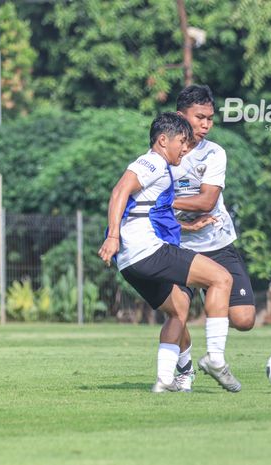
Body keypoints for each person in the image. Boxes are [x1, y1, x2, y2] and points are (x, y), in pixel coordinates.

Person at [98, 112, 241, 393]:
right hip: (147, 252)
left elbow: (148, 213)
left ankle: (165, 378)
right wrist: (112, 235)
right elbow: (119, 192)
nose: (185, 149)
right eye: (182, 142)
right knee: (222, 279)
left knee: (179, 310)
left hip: (130, 263)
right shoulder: (152, 161)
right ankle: (214, 358)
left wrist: (188, 226)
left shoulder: (161, 170)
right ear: (163, 140)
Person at [159, 84, 256, 392]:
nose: (205, 125)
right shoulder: (161, 156)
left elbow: (206, 202)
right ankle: (186, 370)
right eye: (199, 117)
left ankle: (209, 355)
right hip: (178, 249)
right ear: (179, 116)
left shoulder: (215, 153)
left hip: (217, 244)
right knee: (177, 313)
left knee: (244, 319)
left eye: (210, 119)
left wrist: (165, 202)